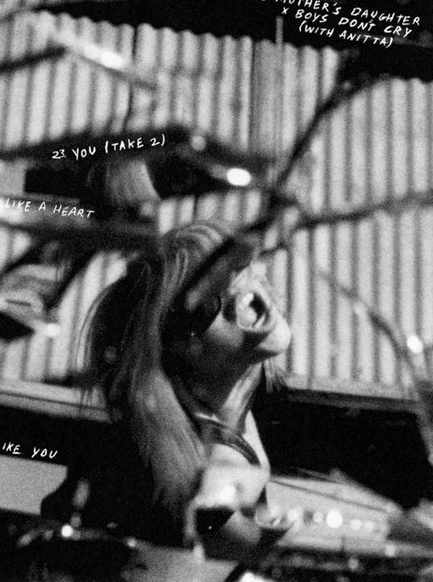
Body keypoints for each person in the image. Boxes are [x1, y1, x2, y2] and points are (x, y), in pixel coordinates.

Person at [42, 221, 292, 561]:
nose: (245, 290)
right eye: (208, 305)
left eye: (243, 266)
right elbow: (255, 551)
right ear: (173, 350)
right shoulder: (190, 474)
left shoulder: (236, 400)